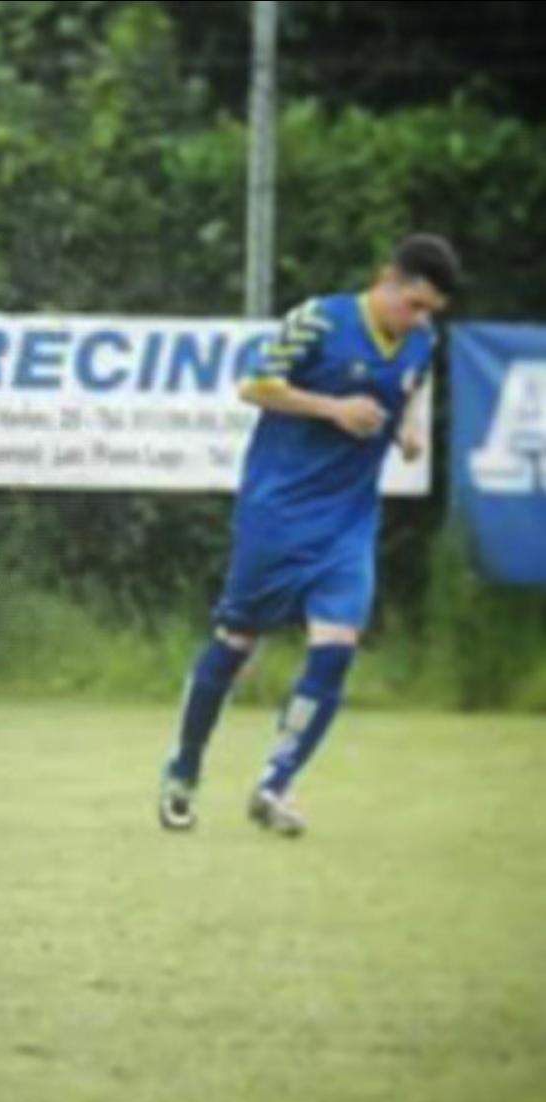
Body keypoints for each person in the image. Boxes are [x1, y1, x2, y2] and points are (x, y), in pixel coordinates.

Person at [158, 234, 462, 837]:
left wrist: (407, 431)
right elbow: (254, 386)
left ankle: (276, 783)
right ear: (387, 279)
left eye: (431, 311)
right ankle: (184, 770)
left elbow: (413, 389)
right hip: (278, 512)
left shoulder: (422, 343)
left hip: (349, 520)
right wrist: (333, 409)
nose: (421, 320)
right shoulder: (319, 319)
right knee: (237, 641)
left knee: (336, 646)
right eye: (415, 305)